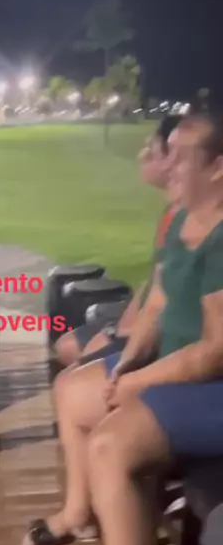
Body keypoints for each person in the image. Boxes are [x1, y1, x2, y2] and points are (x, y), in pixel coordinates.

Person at [42, 112, 223, 545]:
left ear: (218, 167)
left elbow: (215, 352)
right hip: (180, 373)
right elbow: (158, 304)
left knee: (111, 444)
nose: (167, 165)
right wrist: (129, 363)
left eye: (181, 156)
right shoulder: (185, 218)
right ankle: (83, 516)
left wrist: (141, 384)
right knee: (77, 392)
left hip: (213, 387)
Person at [23, 115, 183, 545]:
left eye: (155, 150)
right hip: (160, 347)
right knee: (72, 370)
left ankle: (88, 512)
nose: (142, 155)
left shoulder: (201, 223)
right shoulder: (178, 216)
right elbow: (156, 293)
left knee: (74, 389)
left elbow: (188, 322)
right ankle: (85, 510)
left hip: (181, 362)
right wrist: (120, 337)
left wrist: (131, 361)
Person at [56, 116, 183, 369]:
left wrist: (121, 334)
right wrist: (121, 328)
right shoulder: (171, 213)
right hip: (145, 321)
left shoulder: (188, 220)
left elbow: (165, 300)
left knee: (74, 368)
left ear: (171, 159)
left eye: (150, 149)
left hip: (162, 335)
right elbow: (152, 284)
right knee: (69, 349)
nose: (141, 155)